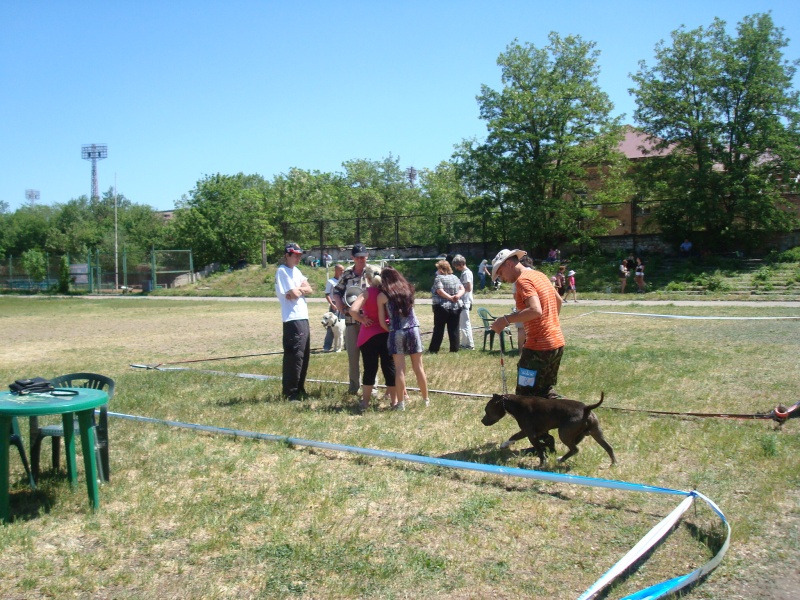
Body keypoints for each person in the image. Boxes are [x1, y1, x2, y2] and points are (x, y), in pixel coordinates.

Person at [489, 249, 565, 399]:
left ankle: (574, 410)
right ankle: (574, 410)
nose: (501, 278)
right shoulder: (539, 275)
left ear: (509, 264)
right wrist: (549, 324)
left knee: (524, 398)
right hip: (556, 343)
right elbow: (559, 301)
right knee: (545, 393)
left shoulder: (522, 281)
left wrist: (504, 320)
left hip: (538, 347)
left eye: (500, 272)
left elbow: (535, 310)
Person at [347, 266, 397, 412]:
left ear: (368, 279)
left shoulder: (366, 293)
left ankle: (365, 402)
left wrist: (362, 319)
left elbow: (352, 310)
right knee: (389, 368)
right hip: (386, 333)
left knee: (369, 368)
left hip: (368, 336)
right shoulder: (387, 292)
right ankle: (394, 401)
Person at [379, 266, 429, 407]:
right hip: (413, 329)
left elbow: (382, 322)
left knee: (400, 369)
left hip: (396, 331)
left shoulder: (382, 296)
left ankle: (400, 403)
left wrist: (391, 330)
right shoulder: (409, 290)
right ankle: (426, 400)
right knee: (419, 367)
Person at [274, 243, 313, 401]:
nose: (298, 258)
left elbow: (309, 289)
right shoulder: (282, 271)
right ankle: (291, 392)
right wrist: (299, 290)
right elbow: (293, 293)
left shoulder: (297, 271)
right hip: (292, 318)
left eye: (299, 255)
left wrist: (299, 289)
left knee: (304, 356)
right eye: (295, 255)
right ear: (287, 255)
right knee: (294, 356)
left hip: (303, 317)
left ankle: (300, 388)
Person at [332, 243, 371, 394]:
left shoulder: (372, 272)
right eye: (358, 257)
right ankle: (354, 386)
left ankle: (372, 387)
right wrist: (340, 306)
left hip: (368, 320)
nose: (361, 260)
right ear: (353, 258)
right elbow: (337, 291)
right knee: (353, 356)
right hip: (350, 320)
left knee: (370, 355)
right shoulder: (347, 274)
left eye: (363, 257)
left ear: (367, 256)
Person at [429, 260, 464, 353]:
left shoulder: (439, 278)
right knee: (454, 328)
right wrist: (457, 296)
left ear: (441, 269)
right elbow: (462, 288)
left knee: (439, 328)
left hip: (442, 306)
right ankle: (454, 349)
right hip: (456, 306)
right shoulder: (455, 277)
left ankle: (434, 349)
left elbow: (440, 291)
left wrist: (450, 298)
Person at [452, 255, 474, 350]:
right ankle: (465, 343)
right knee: (463, 323)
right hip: (463, 301)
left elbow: (468, 288)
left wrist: (459, 289)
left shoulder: (466, 273)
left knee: (465, 324)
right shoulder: (464, 273)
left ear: (461, 264)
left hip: (465, 301)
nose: (456, 268)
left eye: (456, 266)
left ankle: (469, 344)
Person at [323, 263, 345, 352]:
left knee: (344, 325)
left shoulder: (343, 281)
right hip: (334, 305)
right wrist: (332, 304)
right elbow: (327, 294)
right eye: (341, 270)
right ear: (336, 270)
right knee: (331, 325)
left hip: (343, 304)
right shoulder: (331, 281)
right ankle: (327, 346)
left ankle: (344, 345)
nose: (342, 271)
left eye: (343, 270)